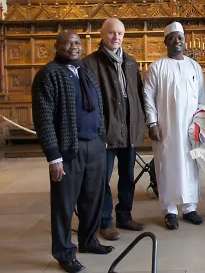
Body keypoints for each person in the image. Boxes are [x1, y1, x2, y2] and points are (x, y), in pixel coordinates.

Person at [32, 30, 113, 273]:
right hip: (69, 149)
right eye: (68, 42)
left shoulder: (85, 72)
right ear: (56, 45)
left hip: (95, 146)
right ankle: (65, 252)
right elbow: (43, 118)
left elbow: (98, 107)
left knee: (93, 197)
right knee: (64, 204)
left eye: (77, 42)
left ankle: (89, 241)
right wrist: (54, 156)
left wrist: (102, 138)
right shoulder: (49, 74)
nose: (74, 46)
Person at [82, 18, 146, 241]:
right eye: (111, 33)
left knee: (128, 177)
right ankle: (105, 221)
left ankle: (125, 215)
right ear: (102, 34)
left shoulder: (130, 62)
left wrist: (140, 123)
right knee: (102, 178)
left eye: (119, 33)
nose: (116, 37)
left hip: (128, 129)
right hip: (106, 130)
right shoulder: (90, 63)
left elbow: (137, 95)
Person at [143, 21, 205, 230]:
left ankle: (190, 208)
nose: (176, 41)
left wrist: (203, 121)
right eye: (172, 38)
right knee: (166, 167)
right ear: (165, 42)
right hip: (167, 128)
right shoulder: (157, 67)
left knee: (191, 166)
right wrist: (152, 122)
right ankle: (169, 211)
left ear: (185, 40)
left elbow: (201, 97)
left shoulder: (194, 66)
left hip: (190, 129)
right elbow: (148, 97)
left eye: (180, 38)